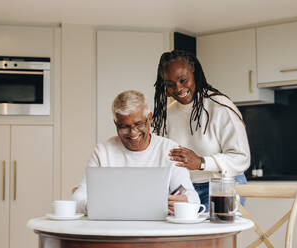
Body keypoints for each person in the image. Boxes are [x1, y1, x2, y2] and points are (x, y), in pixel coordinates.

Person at [152, 50, 251, 210]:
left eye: (183, 80)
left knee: (216, 235)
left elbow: (241, 159)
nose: (178, 88)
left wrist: (201, 162)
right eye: (169, 84)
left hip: (221, 186)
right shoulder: (166, 115)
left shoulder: (220, 107)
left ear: (195, 74)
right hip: (184, 190)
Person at [72, 90, 199, 214]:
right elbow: (77, 197)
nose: (133, 133)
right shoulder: (103, 151)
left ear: (149, 118)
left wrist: (184, 202)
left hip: (158, 229)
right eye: (124, 126)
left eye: (138, 124)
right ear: (116, 123)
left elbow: (194, 199)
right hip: (113, 227)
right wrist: (96, 207)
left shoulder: (170, 150)